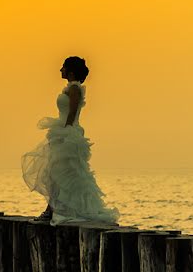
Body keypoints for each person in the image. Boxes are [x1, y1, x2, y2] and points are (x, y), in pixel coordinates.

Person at [21, 56, 119, 225]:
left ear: (71, 71)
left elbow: (72, 112)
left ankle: (51, 211)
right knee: (58, 173)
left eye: (63, 67)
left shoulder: (74, 89)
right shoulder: (71, 88)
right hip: (64, 130)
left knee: (60, 173)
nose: (60, 70)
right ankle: (52, 210)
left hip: (67, 132)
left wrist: (65, 133)